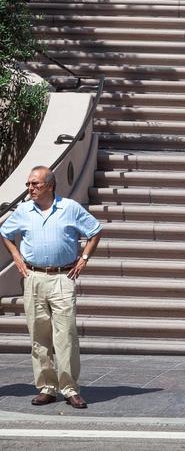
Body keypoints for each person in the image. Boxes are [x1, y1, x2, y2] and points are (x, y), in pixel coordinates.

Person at [0, 166, 102, 409]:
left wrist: (84, 258)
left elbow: (95, 231)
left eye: (35, 184)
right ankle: (46, 387)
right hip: (34, 277)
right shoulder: (23, 210)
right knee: (39, 335)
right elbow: (5, 232)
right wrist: (16, 256)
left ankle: (69, 388)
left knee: (65, 334)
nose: (30, 188)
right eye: (28, 184)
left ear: (49, 185)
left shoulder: (69, 208)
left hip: (62, 277)